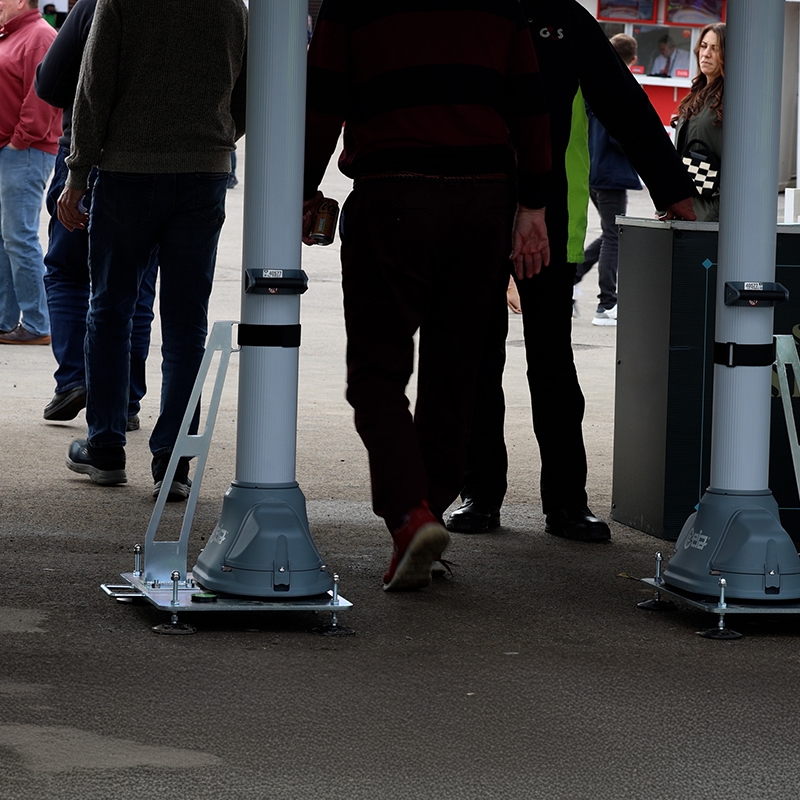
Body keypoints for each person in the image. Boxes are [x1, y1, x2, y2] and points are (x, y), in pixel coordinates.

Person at [303, 0, 552, 591]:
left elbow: (322, 99)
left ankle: (410, 517)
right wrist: (533, 204)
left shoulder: (353, 5)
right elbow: (531, 106)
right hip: (484, 198)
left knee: (376, 371)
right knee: (455, 372)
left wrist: (303, 185)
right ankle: (427, 517)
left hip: (394, 193)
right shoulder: (505, 5)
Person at [446, 0, 696, 540]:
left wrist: (672, 187)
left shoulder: (563, 19)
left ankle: (566, 502)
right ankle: (479, 494)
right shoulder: (464, 15)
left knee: (553, 363)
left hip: (551, 222)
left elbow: (624, 104)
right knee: (477, 360)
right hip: (473, 213)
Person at [57, 0, 247, 499]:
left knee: (111, 309)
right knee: (186, 321)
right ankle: (173, 463)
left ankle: (105, 449)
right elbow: (246, 90)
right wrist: (215, 138)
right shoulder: (231, 5)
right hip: (204, 171)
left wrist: (78, 173)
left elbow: (93, 87)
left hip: (128, 171)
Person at [35, 0, 158, 427]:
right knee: (138, 284)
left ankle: (74, 378)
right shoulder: (220, 8)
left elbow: (49, 84)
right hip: (162, 164)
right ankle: (124, 397)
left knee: (68, 271)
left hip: (87, 156)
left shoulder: (97, 4)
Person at [0, 0, 61, 346]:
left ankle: (38, 324)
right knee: (4, 238)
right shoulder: (11, 34)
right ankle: (5, 319)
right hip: (10, 149)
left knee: (19, 237)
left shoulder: (38, 35)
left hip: (24, 151)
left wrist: (20, 140)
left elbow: (43, 96)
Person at [574, 33, 642, 327]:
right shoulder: (621, 87)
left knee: (610, 232)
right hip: (611, 174)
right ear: (634, 60)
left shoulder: (591, 85)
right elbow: (622, 136)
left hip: (592, 172)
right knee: (615, 236)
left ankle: (573, 276)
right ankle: (606, 304)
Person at [672, 22, 725, 223]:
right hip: (686, 207)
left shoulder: (734, 98)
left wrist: (715, 209)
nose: (706, 54)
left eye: (715, 48)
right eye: (703, 46)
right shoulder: (697, 95)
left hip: (710, 211)